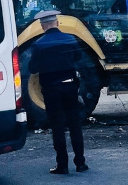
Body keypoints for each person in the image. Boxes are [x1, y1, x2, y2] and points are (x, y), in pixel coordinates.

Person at [25, 9, 88, 175]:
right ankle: (80, 163)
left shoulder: (39, 44)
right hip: (70, 87)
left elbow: (33, 68)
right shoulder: (70, 39)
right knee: (75, 125)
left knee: (58, 126)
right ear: (57, 23)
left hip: (51, 89)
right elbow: (78, 58)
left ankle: (62, 165)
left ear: (42, 25)